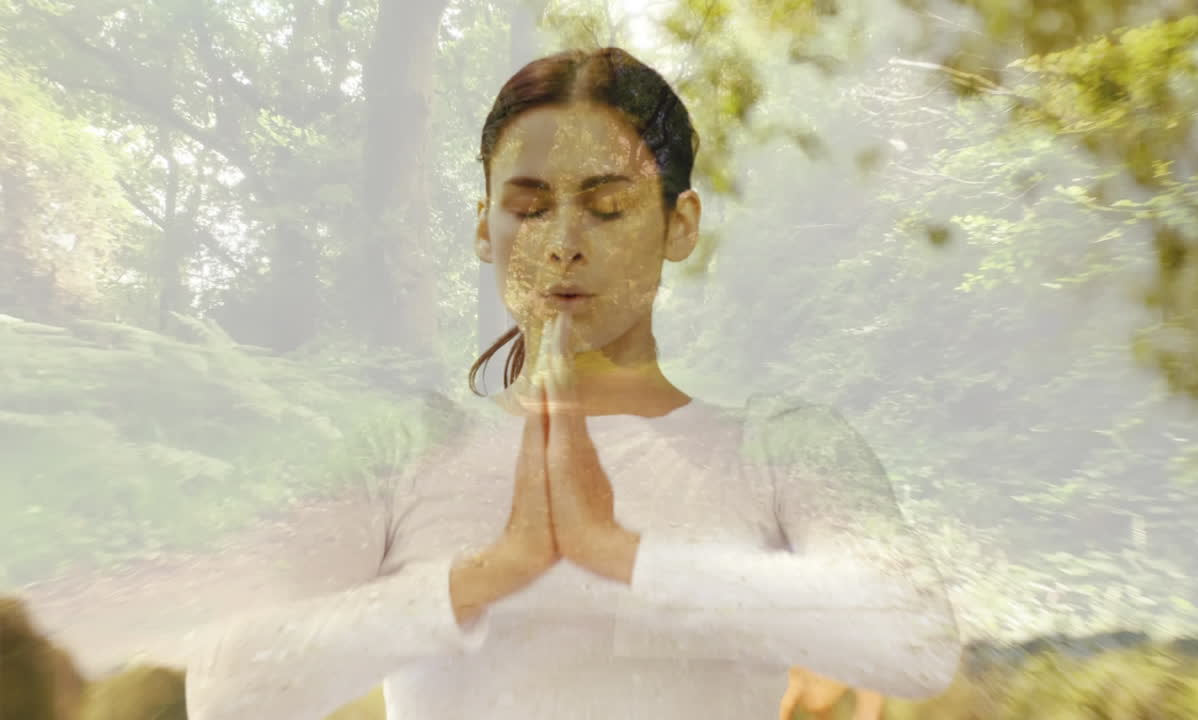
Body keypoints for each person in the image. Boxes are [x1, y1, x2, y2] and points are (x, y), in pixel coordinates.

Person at [170, 46, 962, 719]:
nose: (562, 246)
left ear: (679, 224)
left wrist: (617, 552)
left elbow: (918, 640)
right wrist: (490, 572)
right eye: (530, 207)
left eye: (608, 207)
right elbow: (225, 686)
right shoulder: (409, 447)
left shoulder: (781, 446)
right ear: (486, 228)